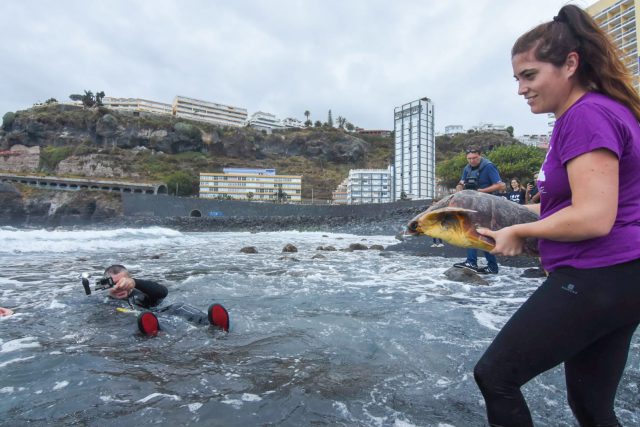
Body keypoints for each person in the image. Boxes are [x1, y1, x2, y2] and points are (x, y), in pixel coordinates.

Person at [474, 5, 640, 426]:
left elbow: (594, 217)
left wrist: (522, 230)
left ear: (570, 64)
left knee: (495, 376)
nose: (521, 90)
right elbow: (572, 204)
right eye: (517, 79)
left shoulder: (586, 115)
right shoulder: (598, 111)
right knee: (591, 406)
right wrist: (493, 215)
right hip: (623, 278)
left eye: (529, 76)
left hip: (599, 275)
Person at [453, 146, 504, 274]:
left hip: (488, 204)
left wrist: (480, 191)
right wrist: (459, 188)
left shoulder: (489, 166)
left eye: (474, 158)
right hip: (472, 203)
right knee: (475, 232)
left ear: (480, 155)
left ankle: (475, 263)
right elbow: (461, 182)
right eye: (469, 158)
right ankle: (487, 266)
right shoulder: (467, 168)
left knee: (478, 232)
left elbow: (500, 185)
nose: (472, 161)